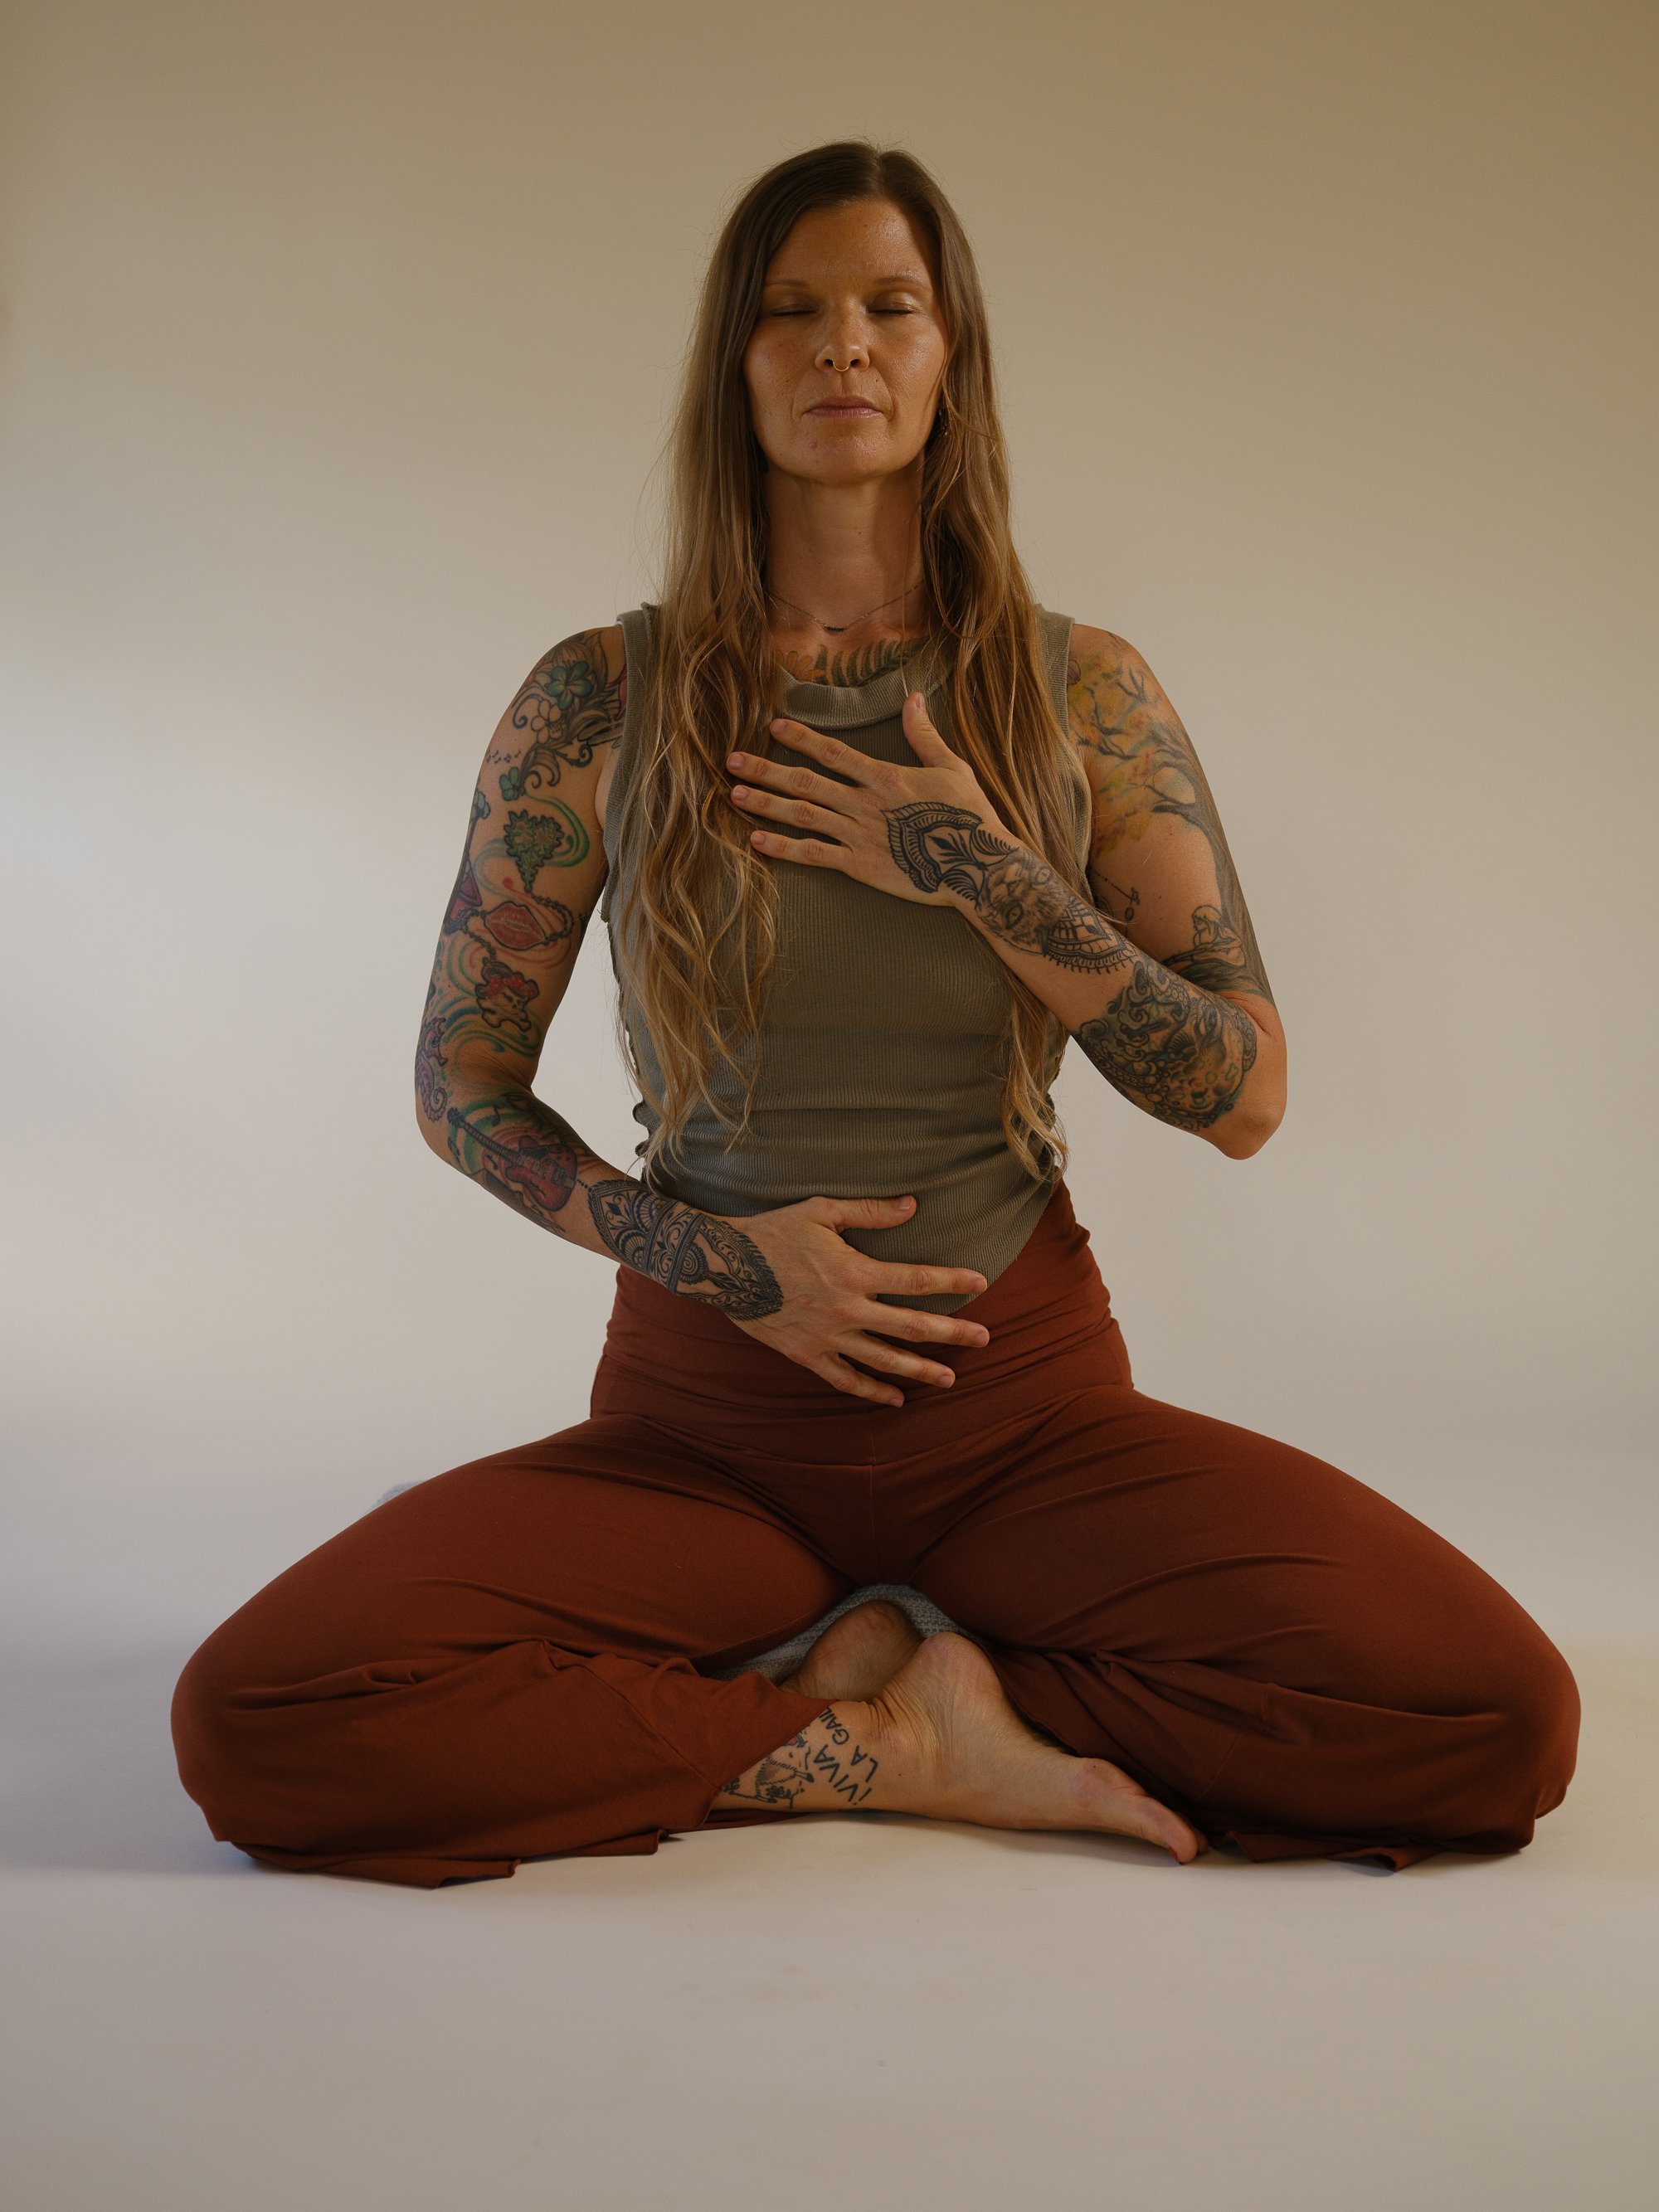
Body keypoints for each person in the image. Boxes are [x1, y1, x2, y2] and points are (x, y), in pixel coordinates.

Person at [171, 140, 1579, 1888]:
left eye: (888, 306)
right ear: (736, 365)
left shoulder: (1080, 693)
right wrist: (720, 1263)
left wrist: (981, 869)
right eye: (793, 310)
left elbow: (1242, 1092)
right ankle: (878, 1740)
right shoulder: (599, 695)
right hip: (704, 1429)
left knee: (1496, 1717)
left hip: (1027, 1417)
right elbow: (460, 1086)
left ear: (947, 358)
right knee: (259, 1712)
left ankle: (875, 1689)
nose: (843, 343)